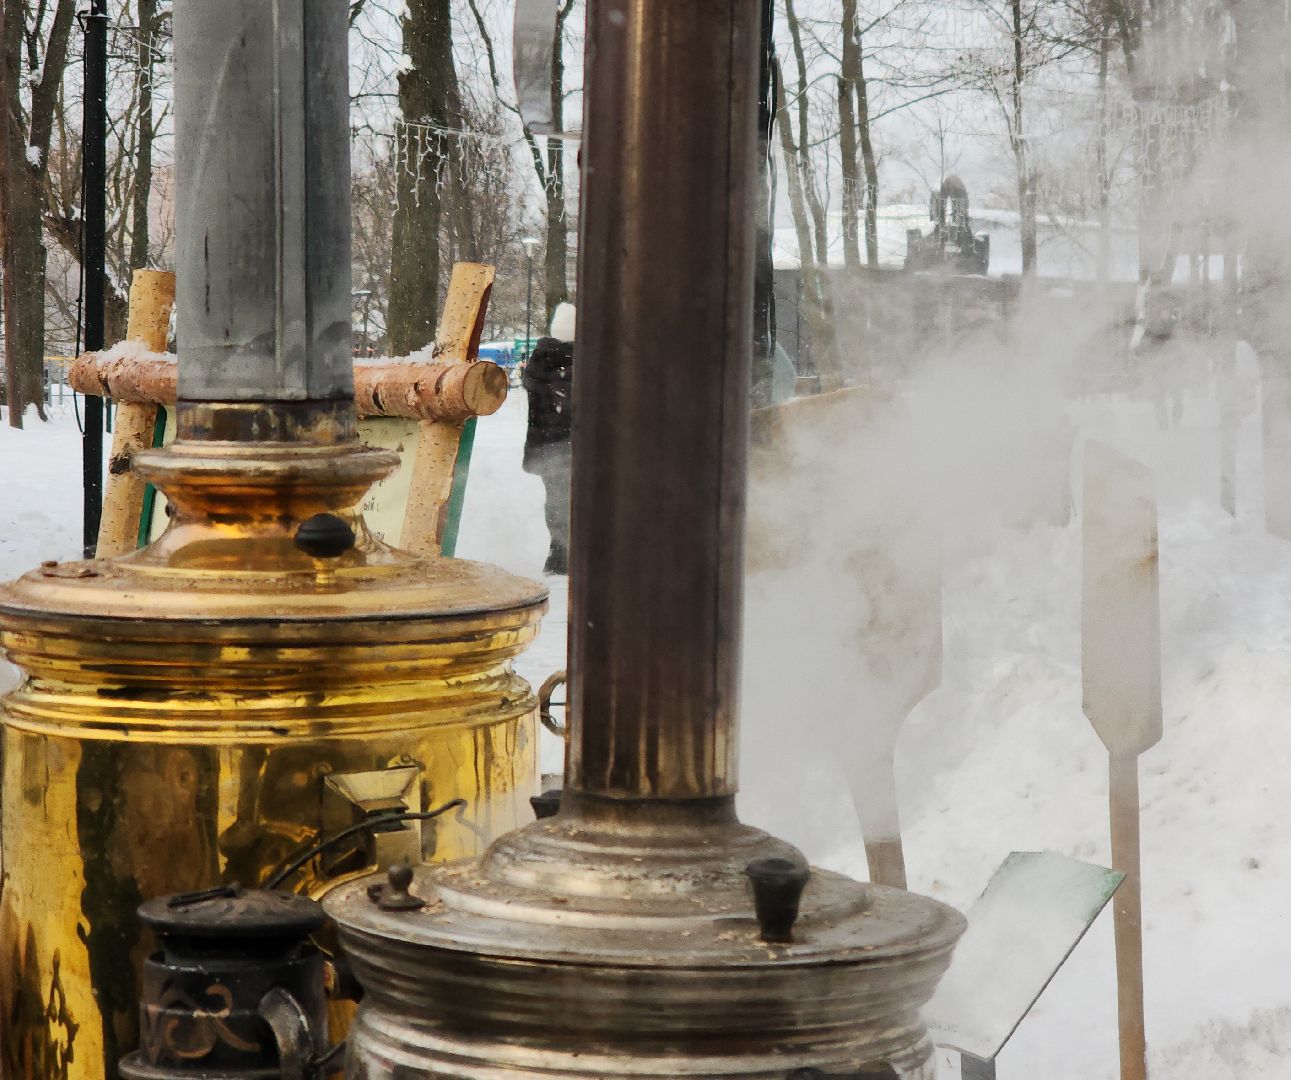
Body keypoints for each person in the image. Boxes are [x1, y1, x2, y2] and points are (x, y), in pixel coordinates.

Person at [523, 303, 575, 575]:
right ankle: (567, 553)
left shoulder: (539, 361)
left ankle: (559, 553)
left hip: (545, 445)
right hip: (570, 445)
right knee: (575, 499)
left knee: (555, 499)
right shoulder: (580, 360)